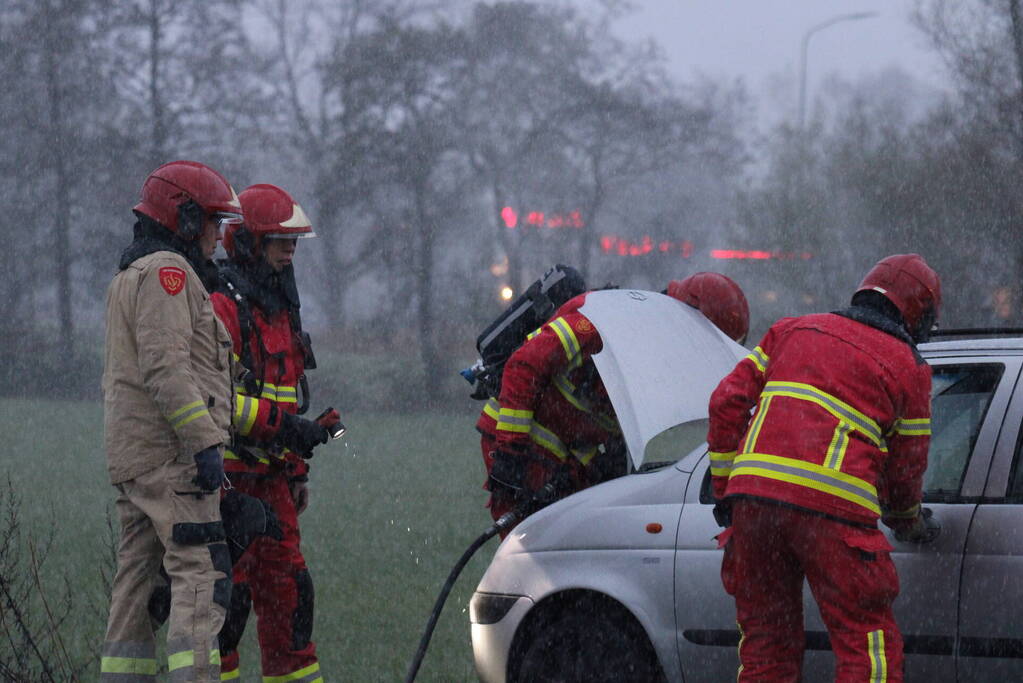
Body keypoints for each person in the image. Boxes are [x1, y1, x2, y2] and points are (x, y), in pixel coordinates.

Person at [707, 253, 942, 682]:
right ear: (918, 315)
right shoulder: (910, 368)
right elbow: (907, 469)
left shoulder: (791, 330)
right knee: (866, 645)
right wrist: (909, 523)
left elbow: (726, 403)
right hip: (834, 516)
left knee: (766, 646)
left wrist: (726, 490)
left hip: (754, 507)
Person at [100, 160, 243, 682]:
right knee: (198, 574)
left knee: (135, 583)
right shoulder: (169, 274)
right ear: (183, 217)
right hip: (172, 456)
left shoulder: (129, 274)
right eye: (211, 221)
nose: (217, 236)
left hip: (136, 457)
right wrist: (205, 441)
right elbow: (167, 365)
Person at [479, 272, 750, 536]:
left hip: (562, 461)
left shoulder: (657, 353)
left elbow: (606, 414)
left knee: (576, 553)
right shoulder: (606, 320)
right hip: (516, 444)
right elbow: (524, 366)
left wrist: (607, 458)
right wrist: (510, 452)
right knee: (532, 554)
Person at [211, 183, 340, 682]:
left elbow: (288, 393)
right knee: (229, 605)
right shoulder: (223, 306)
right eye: (281, 242)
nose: (290, 253)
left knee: (291, 599)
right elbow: (212, 399)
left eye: (294, 244)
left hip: (275, 482)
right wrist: (287, 430)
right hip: (226, 482)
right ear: (248, 243)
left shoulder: (280, 306)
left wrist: (298, 470)